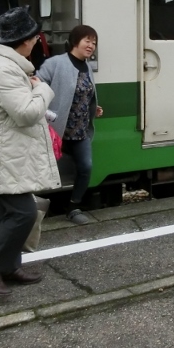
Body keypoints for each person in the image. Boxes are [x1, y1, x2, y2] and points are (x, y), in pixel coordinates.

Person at [0, 7, 61, 297]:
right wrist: (43, 89)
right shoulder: (4, 69)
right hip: (2, 156)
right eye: (35, 36)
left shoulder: (7, 65)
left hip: (6, 153)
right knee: (24, 213)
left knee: (8, 213)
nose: (37, 40)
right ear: (26, 40)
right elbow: (26, 113)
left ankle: (8, 265)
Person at [37, 25, 103, 225]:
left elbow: (83, 94)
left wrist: (94, 108)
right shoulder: (55, 63)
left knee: (86, 166)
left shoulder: (87, 67)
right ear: (75, 41)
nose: (91, 45)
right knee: (39, 170)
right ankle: (27, 211)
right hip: (56, 129)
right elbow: (37, 84)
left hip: (80, 130)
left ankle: (73, 208)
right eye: (87, 41)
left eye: (94, 42)